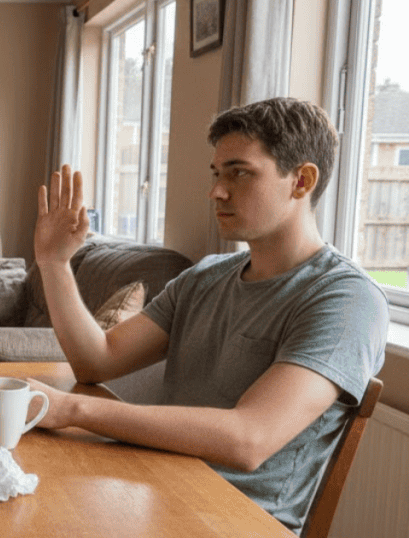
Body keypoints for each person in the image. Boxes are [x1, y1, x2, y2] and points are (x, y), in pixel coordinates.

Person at [28, 97, 387, 534]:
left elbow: (248, 438)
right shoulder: (205, 277)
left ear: (301, 181)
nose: (216, 191)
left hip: (232, 522)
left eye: (239, 172)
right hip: (154, 490)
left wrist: (72, 410)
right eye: (217, 174)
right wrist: (54, 263)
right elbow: (96, 361)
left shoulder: (346, 299)